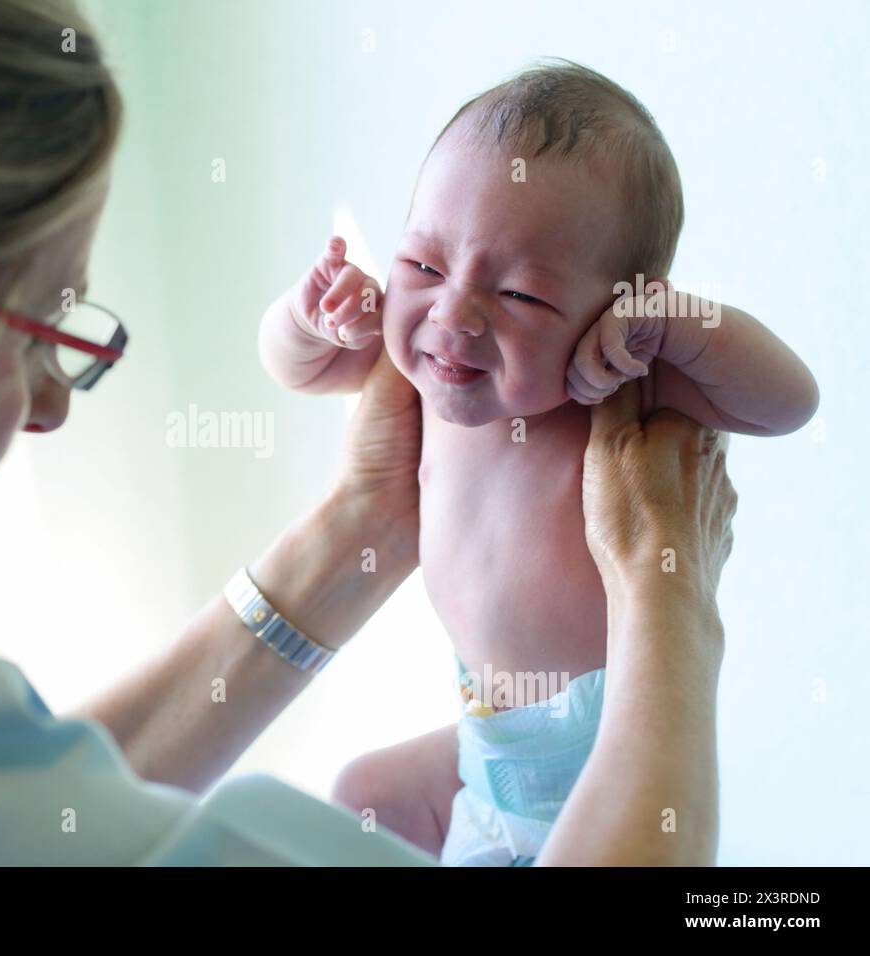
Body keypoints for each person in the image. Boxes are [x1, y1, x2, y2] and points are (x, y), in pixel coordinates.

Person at [0, 0, 735, 865]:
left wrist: (363, 527)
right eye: (42, 326)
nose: (49, 399)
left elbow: (27, 807)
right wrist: (667, 601)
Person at [257, 62, 817, 864]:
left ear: (615, 309)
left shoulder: (619, 391)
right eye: (423, 265)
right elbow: (296, 366)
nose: (453, 313)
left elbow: (790, 401)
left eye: (521, 297)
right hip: (486, 748)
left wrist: (675, 325)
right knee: (359, 795)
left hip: (602, 758)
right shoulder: (422, 363)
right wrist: (309, 317)